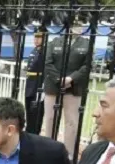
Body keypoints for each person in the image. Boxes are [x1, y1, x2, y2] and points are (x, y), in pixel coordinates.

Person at [42, 25, 93, 154]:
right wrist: (59, 79)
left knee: (72, 121)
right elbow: (47, 62)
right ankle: (49, 150)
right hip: (53, 86)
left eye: (81, 25)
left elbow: (87, 66)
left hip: (74, 87)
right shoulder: (54, 42)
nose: (79, 28)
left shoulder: (87, 44)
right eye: (75, 25)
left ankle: (69, 154)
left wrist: (71, 78)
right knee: (50, 119)